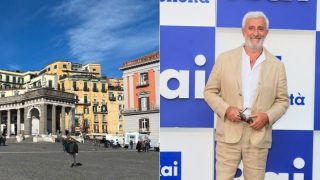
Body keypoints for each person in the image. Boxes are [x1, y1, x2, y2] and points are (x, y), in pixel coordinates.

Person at [204, 11, 289, 180]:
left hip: (258, 138)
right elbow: (209, 91)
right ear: (243, 31)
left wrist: (267, 116)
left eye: (260, 28)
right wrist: (226, 110)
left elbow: (283, 101)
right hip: (228, 135)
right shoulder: (224, 59)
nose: (255, 33)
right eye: (251, 28)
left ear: (266, 32)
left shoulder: (277, 66)